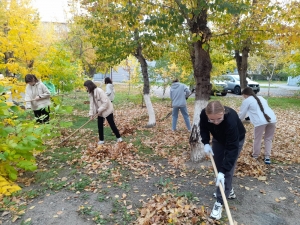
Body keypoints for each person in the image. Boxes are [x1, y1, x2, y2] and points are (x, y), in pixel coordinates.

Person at [200, 101, 246, 220]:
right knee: (217, 164)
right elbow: (203, 128)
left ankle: (220, 202)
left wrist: (223, 171)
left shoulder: (230, 120)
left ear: (223, 113)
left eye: (219, 119)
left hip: (235, 140)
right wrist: (205, 142)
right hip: (219, 138)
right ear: (206, 114)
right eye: (212, 120)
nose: (215, 122)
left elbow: (232, 148)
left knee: (226, 171)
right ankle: (228, 189)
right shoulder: (203, 115)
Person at [238, 87, 276, 164]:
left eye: (243, 96)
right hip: (272, 119)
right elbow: (261, 109)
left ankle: (255, 156)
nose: (244, 97)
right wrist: (249, 117)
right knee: (268, 139)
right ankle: (267, 157)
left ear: (245, 95)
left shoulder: (247, 101)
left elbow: (242, 114)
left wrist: (237, 121)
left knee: (257, 139)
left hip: (260, 122)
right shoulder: (261, 98)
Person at [84, 80, 122, 144]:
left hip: (107, 110)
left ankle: (119, 138)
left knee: (111, 124)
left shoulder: (99, 91)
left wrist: (99, 110)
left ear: (89, 86)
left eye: (86, 87)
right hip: (99, 112)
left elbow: (105, 103)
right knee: (100, 125)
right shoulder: (90, 93)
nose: (86, 89)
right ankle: (101, 140)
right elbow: (92, 105)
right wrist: (91, 114)